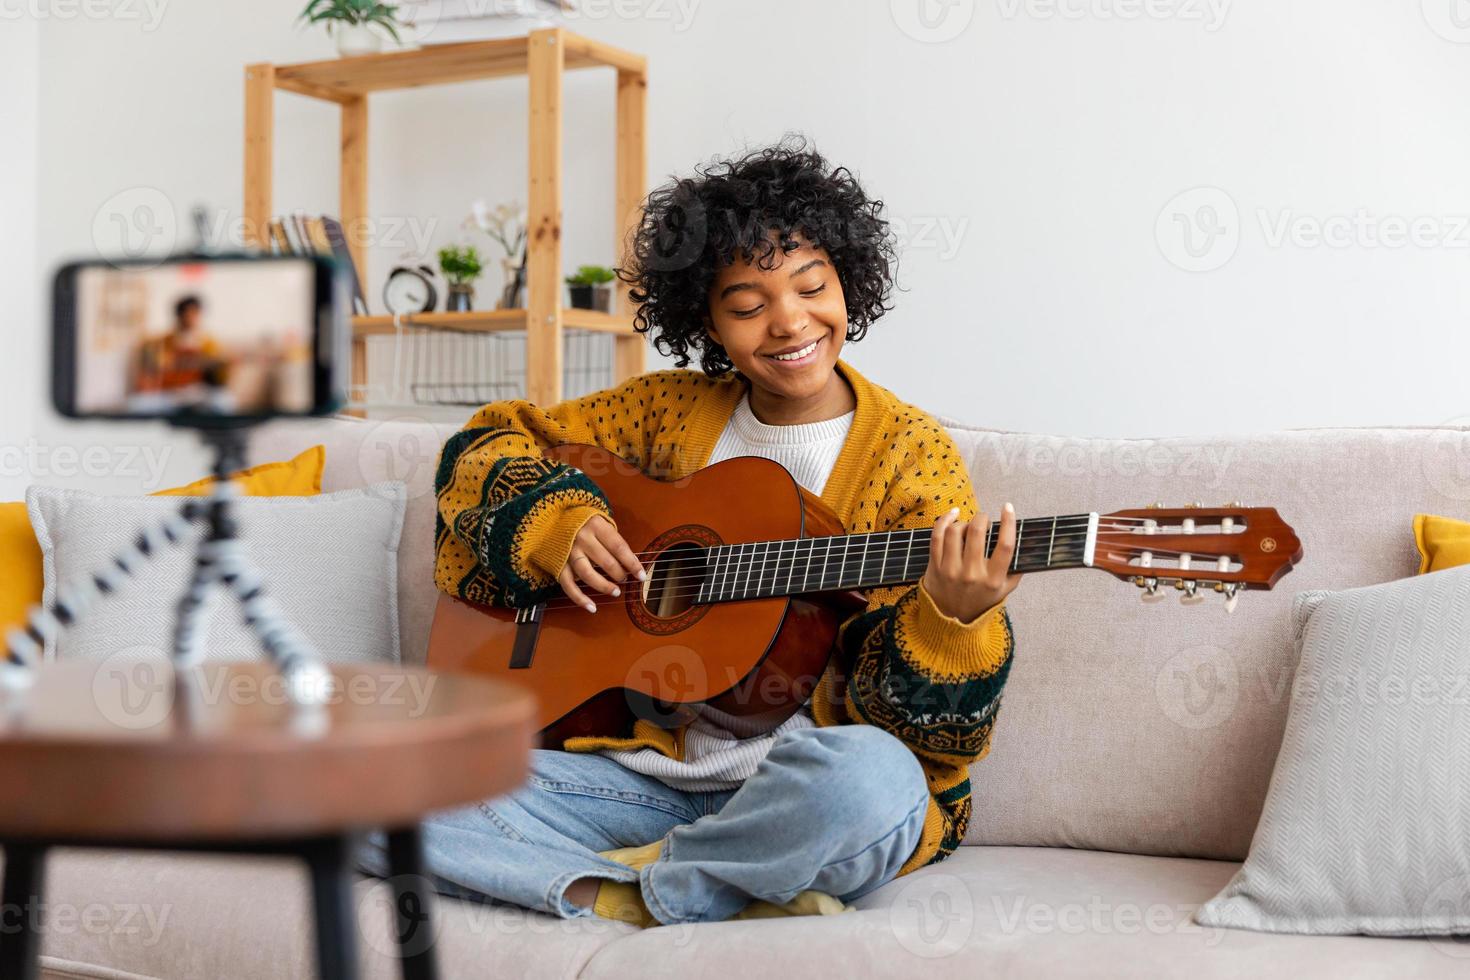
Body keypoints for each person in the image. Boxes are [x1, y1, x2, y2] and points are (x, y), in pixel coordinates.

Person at [356, 139, 1021, 927]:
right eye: (746, 306)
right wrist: (557, 524)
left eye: (812, 286)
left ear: (850, 281)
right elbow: (491, 442)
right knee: (359, 786)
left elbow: (929, 743)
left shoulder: (912, 455)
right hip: (628, 782)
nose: (788, 323)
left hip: (797, 790)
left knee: (876, 783)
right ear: (704, 319)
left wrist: (952, 620)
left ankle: (638, 892)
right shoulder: (663, 413)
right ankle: (716, 887)